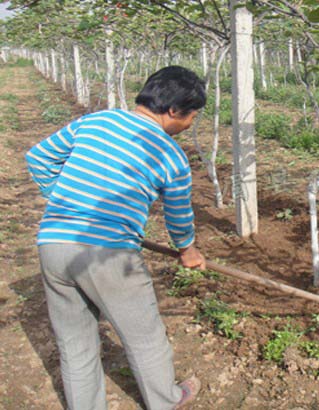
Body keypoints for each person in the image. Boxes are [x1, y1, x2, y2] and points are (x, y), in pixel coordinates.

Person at [26, 65, 207, 409]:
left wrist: (62, 201)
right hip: (108, 255)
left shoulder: (95, 122)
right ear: (173, 111)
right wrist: (188, 250)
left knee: (75, 342)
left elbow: (38, 158)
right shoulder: (171, 156)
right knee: (145, 339)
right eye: (191, 116)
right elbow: (179, 218)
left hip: (52, 243)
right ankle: (165, 400)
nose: (189, 124)